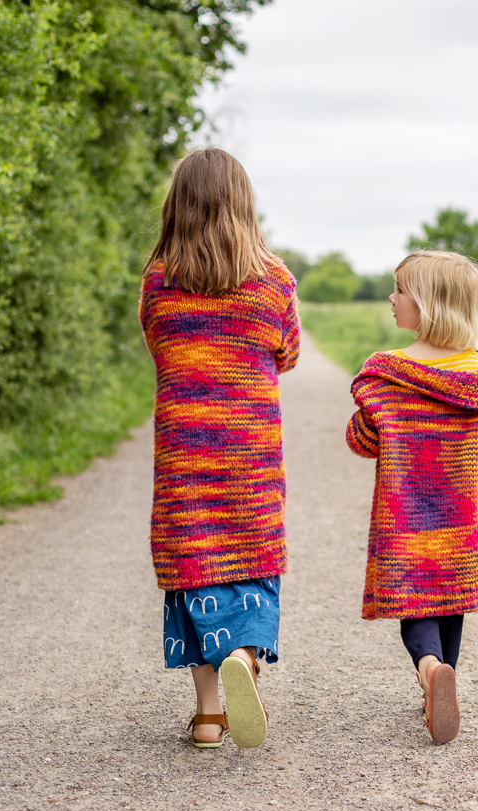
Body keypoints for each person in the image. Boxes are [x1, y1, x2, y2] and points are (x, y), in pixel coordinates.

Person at [139, 147, 300, 749]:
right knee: (252, 561)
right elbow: (287, 354)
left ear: (176, 208)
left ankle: (209, 714)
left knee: (195, 564)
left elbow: (158, 343)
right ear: (243, 205)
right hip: (250, 454)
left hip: (184, 453)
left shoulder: (161, 283)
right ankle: (246, 658)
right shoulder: (274, 281)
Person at [346, 250, 478, 744]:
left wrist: (381, 418)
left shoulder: (386, 375)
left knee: (416, 608)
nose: (391, 297)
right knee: (450, 605)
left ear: (424, 304)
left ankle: (428, 670)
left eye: (399, 290)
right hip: (460, 526)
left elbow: (360, 440)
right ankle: (444, 680)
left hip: (405, 523)